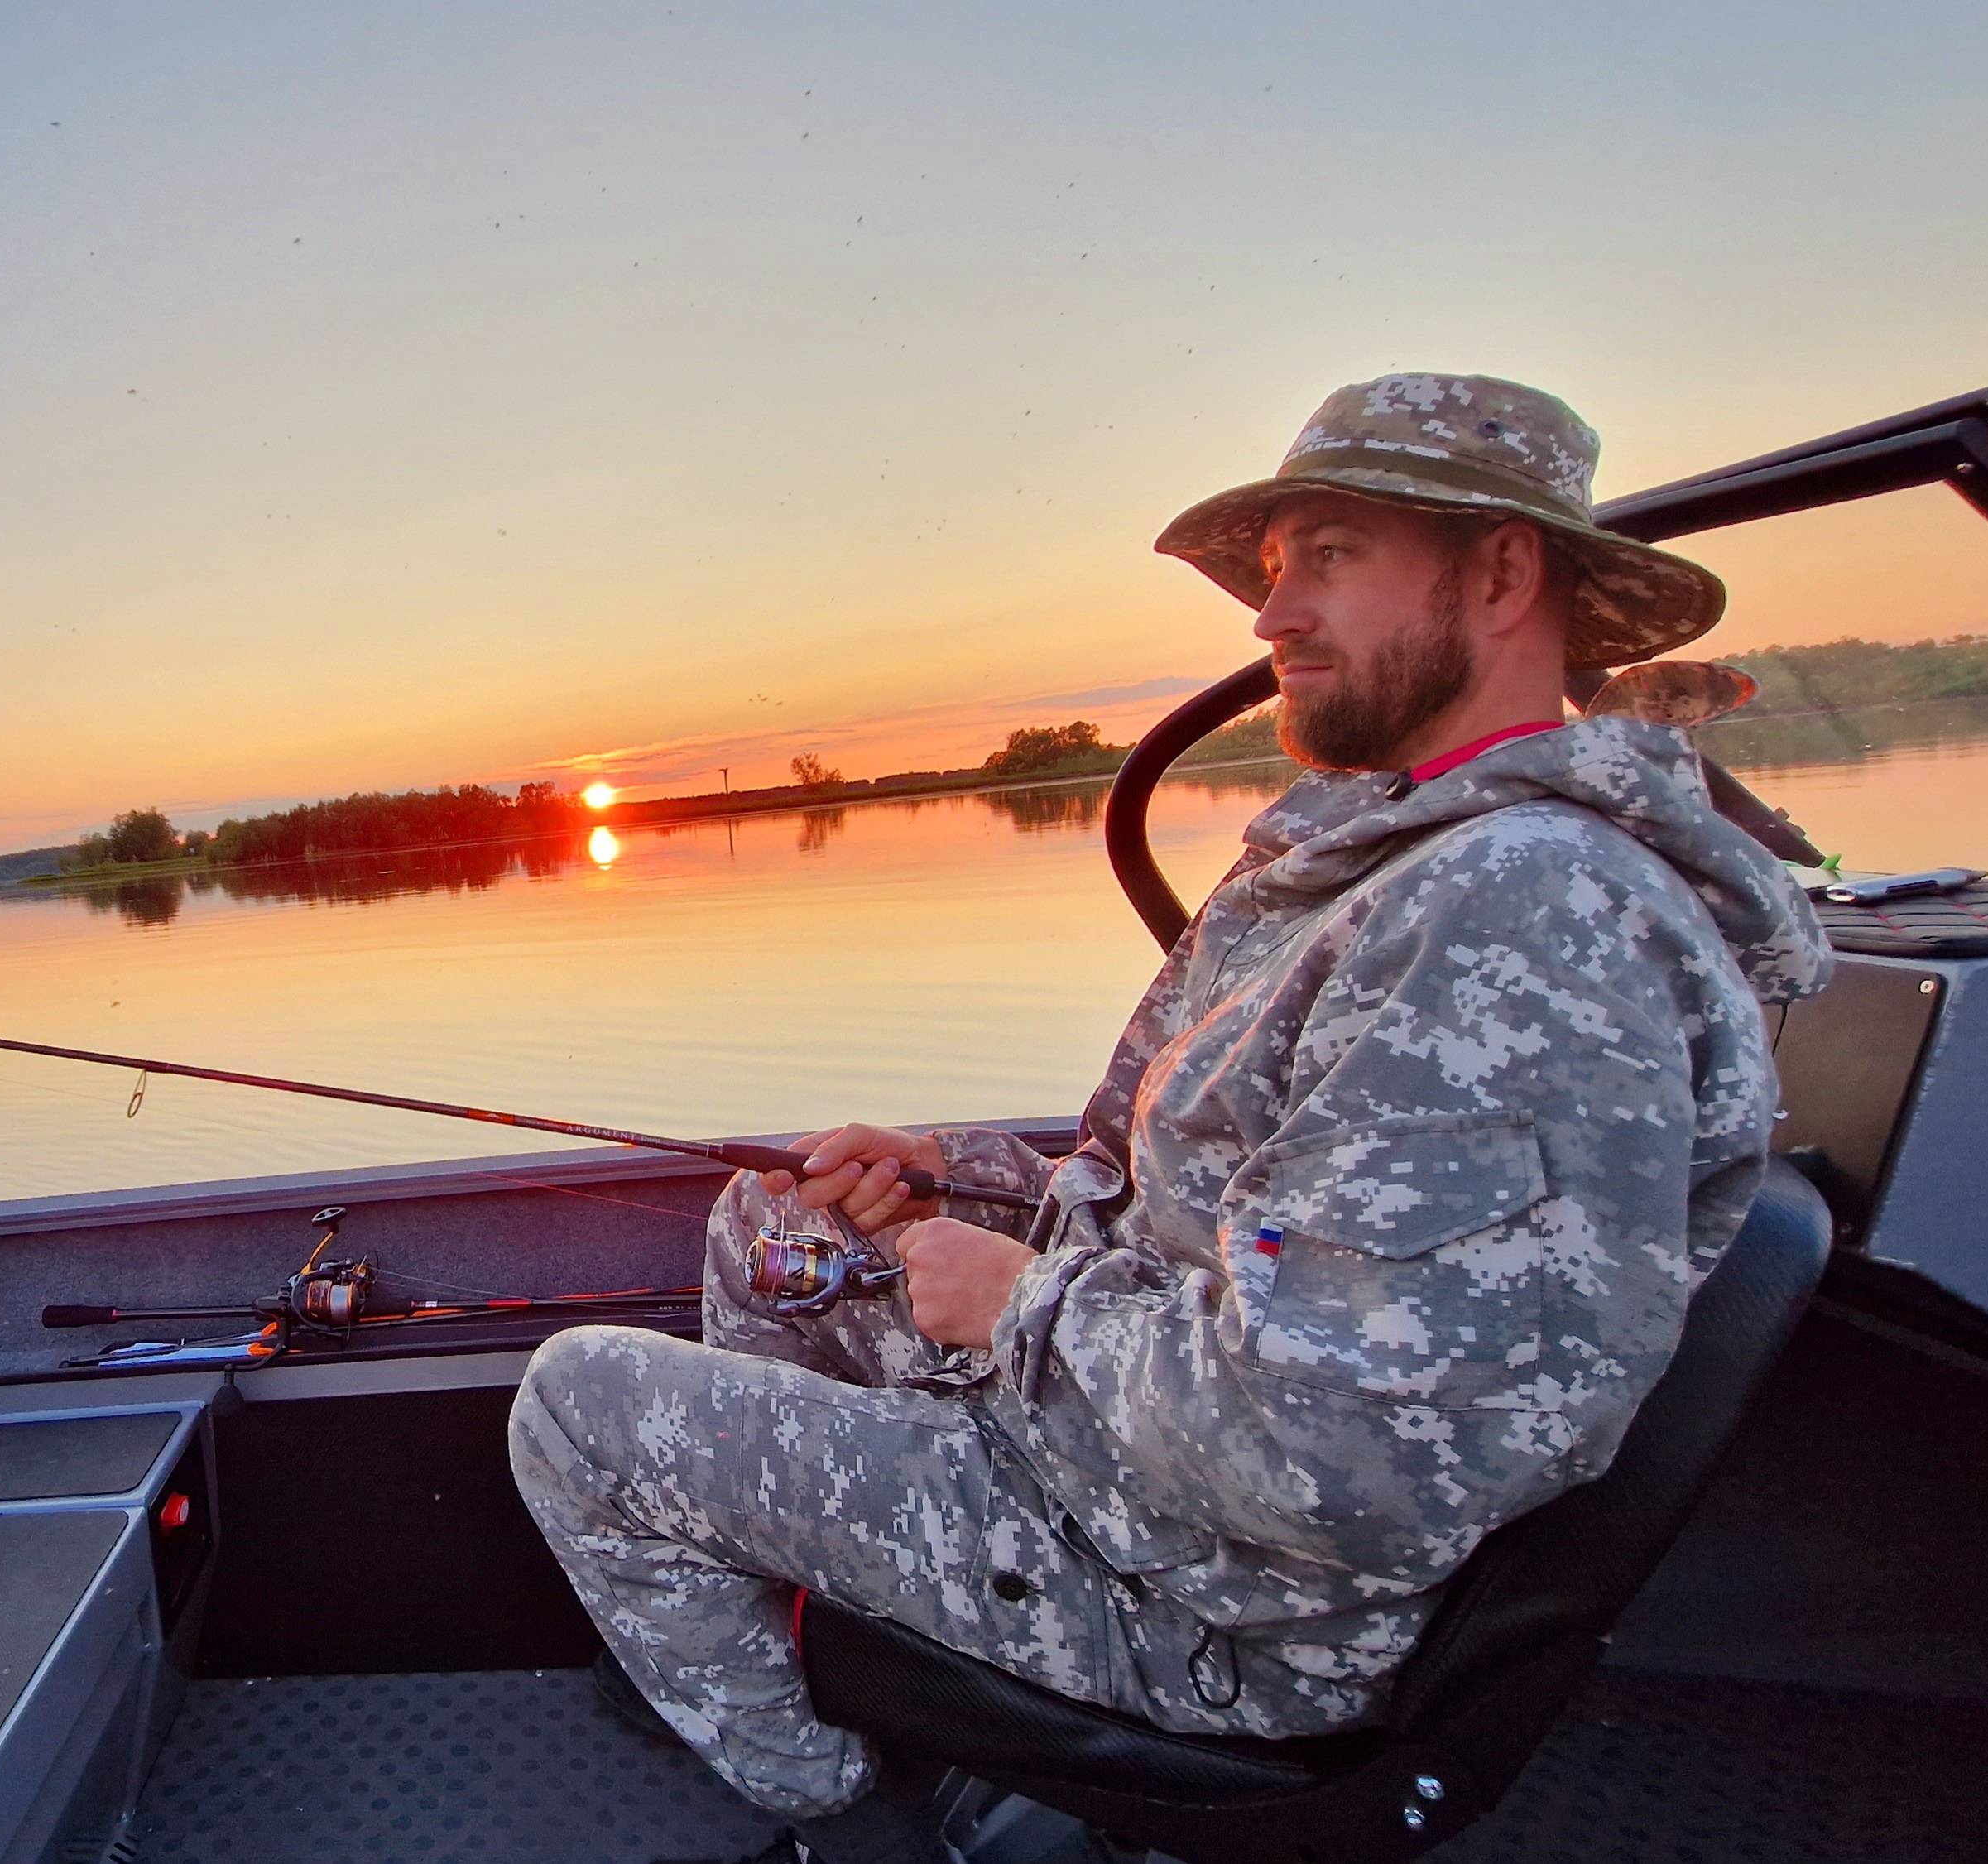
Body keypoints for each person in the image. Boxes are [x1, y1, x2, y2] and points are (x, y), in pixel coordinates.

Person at [506, 373, 1832, 1864]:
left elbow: (1356, 1463)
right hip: (1137, 1458)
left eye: (1331, 556)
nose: (1272, 615)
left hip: (1226, 1604)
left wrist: (1020, 1304)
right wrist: (957, 1174)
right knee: (777, 1221)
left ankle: (850, 1821)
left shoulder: (1516, 913)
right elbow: (1201, 1196)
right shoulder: (1390, 856)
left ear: (1504, 574)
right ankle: (850, 1622)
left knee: (579, 1410)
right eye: (1270, 570)